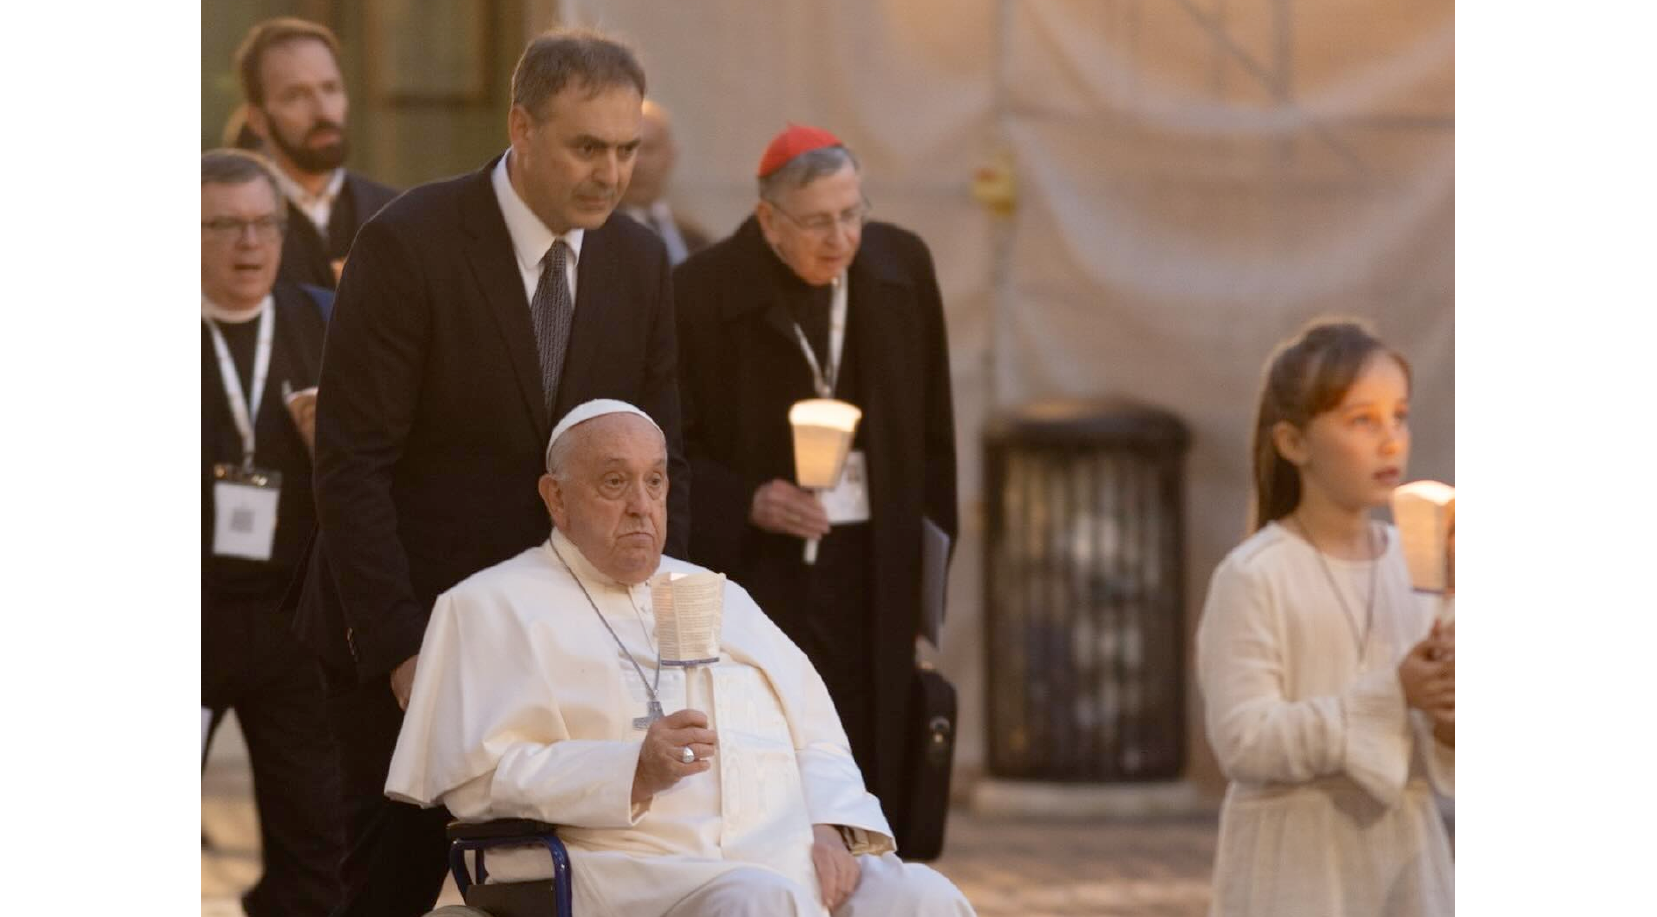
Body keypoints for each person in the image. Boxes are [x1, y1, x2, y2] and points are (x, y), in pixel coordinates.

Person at [290, 28, 691, 917]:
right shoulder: (407, 243)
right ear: (520, 125)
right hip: (412, 637)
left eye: (625, 150)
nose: (611, 173)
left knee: (550, 896)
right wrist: (399, 649)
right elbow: (351, 467)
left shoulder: (637, 262)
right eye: (587, 146)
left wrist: (656, 630)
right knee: (383, 891)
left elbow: (663, 463)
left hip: (568, 651)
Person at [388, 400, 975, 917]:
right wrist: (629, 770)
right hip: (627, 870)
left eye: (656, 481)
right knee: (758, 901)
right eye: (615, 483)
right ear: (556, 498)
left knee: (926, 898)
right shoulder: (490, 606)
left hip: (787, 855)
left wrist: (828, 826)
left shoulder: (715, 593)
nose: (642, 506)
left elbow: (816, 732)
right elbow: (480, 781)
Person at [673, 125, 957, 849]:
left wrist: (929, 583)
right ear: (769, 220)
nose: (842, 238)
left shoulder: (900, 267)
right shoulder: (702, 292)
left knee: (876, 758)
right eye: (819, 221)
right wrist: (746, 500)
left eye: (852, 212)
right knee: (776, 762)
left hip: (875, 565)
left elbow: (934, 436)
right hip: (763, 575)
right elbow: (672, 448)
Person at [1195, 319, 1454, 916]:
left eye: (1399, 416)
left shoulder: (1414, 565)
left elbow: (1440, 747)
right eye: (1362, 420)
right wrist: (1393, 693)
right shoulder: (1255, 573)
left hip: (1404, 860)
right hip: (1298, 867)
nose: (1390, 440)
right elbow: (1244, 739)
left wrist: (1446, 708)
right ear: (1293, 443)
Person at [200, 149, 341, 917]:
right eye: (223, 225)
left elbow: (386, 463)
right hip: (190, 613)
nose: (248, 244)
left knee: (315, 837)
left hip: (293, 616)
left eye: (263, 224)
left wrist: (334, 447)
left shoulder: (323, 319)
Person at [234, 17, 397, 288]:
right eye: (295, 95)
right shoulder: (227, 228)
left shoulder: (395, 213)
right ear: (257, 120)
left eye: (330, 88)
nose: (323, 111)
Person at [619, 100, 711, 265]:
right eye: (627, 149)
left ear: (671, 155)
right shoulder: (590, 236)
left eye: (648, 149)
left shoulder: (696, 240)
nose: (637, 162)